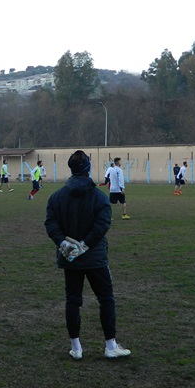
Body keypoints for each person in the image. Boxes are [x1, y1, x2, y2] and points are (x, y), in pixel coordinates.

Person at [45, 150, 131, 361]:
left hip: (70, 258)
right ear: (88, 169)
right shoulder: (98, 198)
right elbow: (102, 225)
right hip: (95, 259)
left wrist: (63, 242)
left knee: (73, 301)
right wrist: (85, 245)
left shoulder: (56, 197)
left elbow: (51, 223)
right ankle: (110, 345)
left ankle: (76, 348)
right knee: (106, 299)